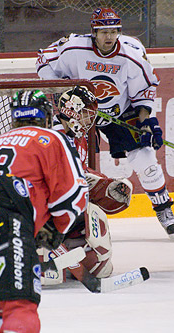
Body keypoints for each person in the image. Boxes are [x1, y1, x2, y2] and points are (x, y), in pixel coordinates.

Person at [36, 7, 174, 241]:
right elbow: (43, 60)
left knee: (146, 159)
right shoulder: (73, 47)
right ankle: (59, 215)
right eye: (103, 31)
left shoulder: (132, 55)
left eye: (113, 31)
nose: (109, 37)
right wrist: (62, 86)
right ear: (93, 32)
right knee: (62, 159)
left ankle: (164, 210)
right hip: (79, 111)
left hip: (119, 112)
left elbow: (143, 93)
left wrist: (146, 123)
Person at [0, 90, 88, 332]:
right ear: (46, 116)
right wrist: (55, 229)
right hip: (7, 227)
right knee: (20, 306)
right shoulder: (51, 138)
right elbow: (74, 194)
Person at [51, 85, 133, 278]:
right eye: (87, 113)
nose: (90, 119)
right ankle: (55, 252)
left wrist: (103, 184)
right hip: (49, 210)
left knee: (113, 194)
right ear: (72, 111)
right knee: (92, 211)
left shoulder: (78, 135)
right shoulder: (54, 137)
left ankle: (77, 248)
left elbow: (78, 171)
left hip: (67, 206)